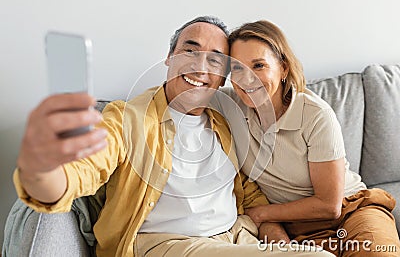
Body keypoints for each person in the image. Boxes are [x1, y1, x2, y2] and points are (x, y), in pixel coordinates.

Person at [11, 16, 333, 257]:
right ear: (169, 57)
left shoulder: (225, 123)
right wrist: (43, 169)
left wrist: (274, 233)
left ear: (223, 76)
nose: (200, 67)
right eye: (189, 51)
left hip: (236, 237)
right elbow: (84, 168)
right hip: (166, 245)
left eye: (215, 60)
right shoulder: (127, 119)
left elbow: (247, 194)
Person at [213, 19, 400, 256]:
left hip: (351, 209)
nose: (247, 79)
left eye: (259, 65)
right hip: (293, 225)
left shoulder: (315, 115)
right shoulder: (230, 105)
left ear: (283, 68)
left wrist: (261, 214)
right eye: (238, 68)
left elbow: (328, 206)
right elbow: (183, 90)